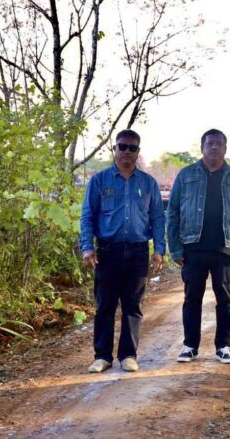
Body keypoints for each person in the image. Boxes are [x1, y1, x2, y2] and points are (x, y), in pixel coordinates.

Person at [79, 129, 166, 373]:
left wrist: (159, 249)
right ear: (114, 149)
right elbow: (87, 215)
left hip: (138, 251)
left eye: (132, 147)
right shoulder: (99, 180)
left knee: (132, 305)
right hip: (107, 251)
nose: (127, 151)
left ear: (138, 152)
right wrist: (87, 247)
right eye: (122, 146)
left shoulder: (148, 183)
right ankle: (102, 356)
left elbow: (158, 217)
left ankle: (128, 354)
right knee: (105, 304)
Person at [167, 129, 230, 364]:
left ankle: (224, 346)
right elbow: (172, 212)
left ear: (225, 148)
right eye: (210, 144)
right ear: (202, 147)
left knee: (225, 298)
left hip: (225, 248)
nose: (214, 147)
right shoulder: (186, 175)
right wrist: (175, 248)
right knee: (191, 298)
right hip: (192, 247)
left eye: (218, 144)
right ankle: (189, 346)